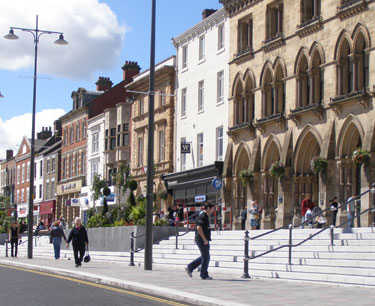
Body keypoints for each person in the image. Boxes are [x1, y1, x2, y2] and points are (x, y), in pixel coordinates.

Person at [185, 203, 215, 280]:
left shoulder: (204, 216)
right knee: (206, 256)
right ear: (208, 208)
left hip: (203, 239)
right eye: (212, 209)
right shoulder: (203, 216)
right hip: (201, 239)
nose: (213, 211)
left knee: (205, 256)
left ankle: (190, 267)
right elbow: (199, 228)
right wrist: (204, 239)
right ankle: (203, 274)